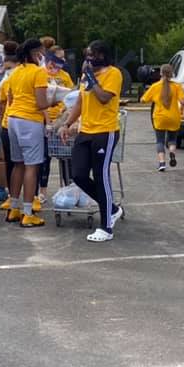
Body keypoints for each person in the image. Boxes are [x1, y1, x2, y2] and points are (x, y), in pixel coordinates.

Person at [60, 41, 124, 242]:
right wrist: (67, 123)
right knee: (78, 174)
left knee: (101, 175)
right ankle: (111, 208)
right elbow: (80, 101)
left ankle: (106, 227)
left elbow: (104, 98)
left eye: (93, 55)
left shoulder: (113, 73)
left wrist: (90, 77)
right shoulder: (85, 76)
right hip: (85, 130)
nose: (89, 59)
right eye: (87, 54)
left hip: (105, 131)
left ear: (102, 56)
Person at [4, 39, 52, 227]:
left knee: (18, 164)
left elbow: (10, 98)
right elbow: (41, 103)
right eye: (42, 52)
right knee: (32, 166)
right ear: (35, 53)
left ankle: (13, 208)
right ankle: (28, 212)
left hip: (13, 119)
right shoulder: (39, 72)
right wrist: (57, 100)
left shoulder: (16, 72)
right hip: (30, 121)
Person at [39, 50, 74, 204]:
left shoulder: (65, 76)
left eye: (63, 57)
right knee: (44, 157)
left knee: (66, 157)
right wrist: (47, 121)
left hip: (61, 121)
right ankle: (42, 191)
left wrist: (66, 115)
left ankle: (69, 189)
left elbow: (72, 97)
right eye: (59, 57)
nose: (62, 60)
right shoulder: (41, 74)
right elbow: (39, 100)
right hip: (45, 120)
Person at [141, 63, 184, 172]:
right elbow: (183, 101)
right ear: (172, 74)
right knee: (172, 139)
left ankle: (162, 163)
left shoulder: (155, 86)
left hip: (160, 118)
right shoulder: (177, 87)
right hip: (174, 117)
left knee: (160, 141)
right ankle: (172, 152)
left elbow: (143, 100)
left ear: (161, 73)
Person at [0, 41, 19, 207]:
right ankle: (12, 196)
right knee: (11, 162)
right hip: (9, 124)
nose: (6, 72)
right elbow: (2, 101)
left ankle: (22, 197)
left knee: (20, 163)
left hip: (19, 123)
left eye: (9, 68)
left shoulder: (18, 78)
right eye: (5, 69)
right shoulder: (7, 81)